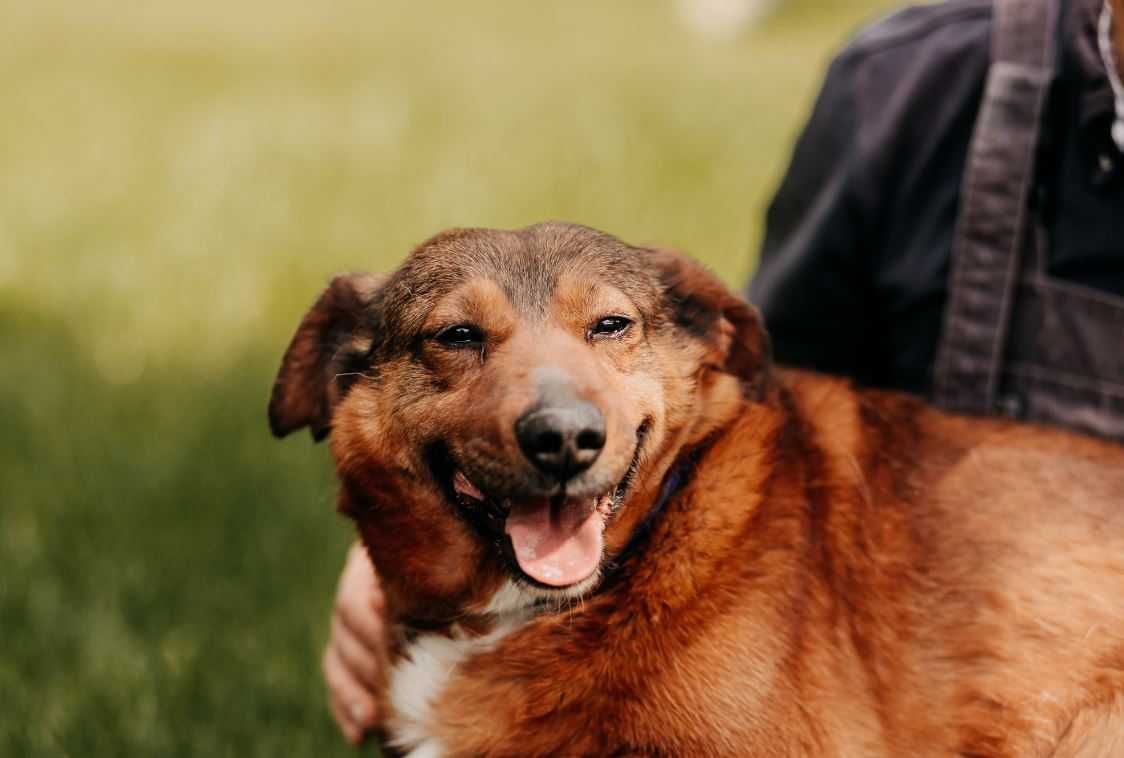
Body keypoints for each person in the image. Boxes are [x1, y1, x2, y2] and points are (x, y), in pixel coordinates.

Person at [323, 0, 1124, 742]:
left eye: (609, 327)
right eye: (460, 336)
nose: (565, 424)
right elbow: (785, 395)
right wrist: (405, 525)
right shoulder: (911, 86)